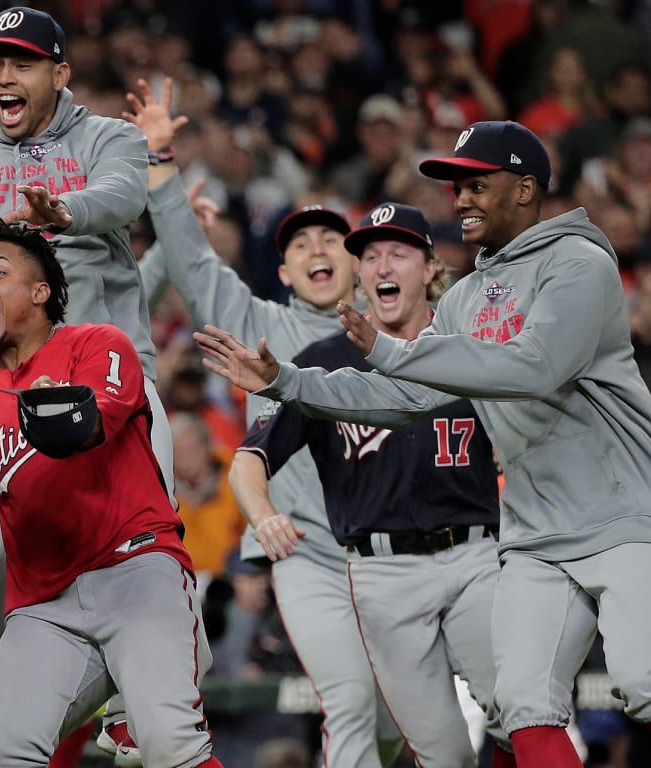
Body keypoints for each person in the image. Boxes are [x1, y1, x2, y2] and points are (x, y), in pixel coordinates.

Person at [194, 121, 651, 768]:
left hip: (624, 516)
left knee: (642, 683)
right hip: (532, 536)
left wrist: (389, 350)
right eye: (455, 187)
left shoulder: (580, 262)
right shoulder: (463, 299)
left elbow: (536, 365)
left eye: (476, 184)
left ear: (525, 189)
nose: (458, 198)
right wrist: (286, 380)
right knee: (522, 708)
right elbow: (405, 399)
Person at [0, 8, 160, 757]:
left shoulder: (110, 137)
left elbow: (124, 195)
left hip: (114, 389)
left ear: (60, 74)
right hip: (6, 392)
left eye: (22, 63)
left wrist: (65, 211)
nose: (3, 77)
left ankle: (136, 699)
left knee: (149, 545)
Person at [0, 218, 220, 768]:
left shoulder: (96, 344)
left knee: (171, 744)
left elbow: (93, 422)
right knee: (3, 753)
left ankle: (149, 689)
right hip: (44, 606)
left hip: (135, 572)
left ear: (40, 292)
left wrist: (55, 407)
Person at [127, 79, 401, 768]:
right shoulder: (258, 324)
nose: (316, 249)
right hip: (306, 553)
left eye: (331, 239)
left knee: (404, 721)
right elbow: (191, 259)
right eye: (301, 242)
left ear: (361, 264)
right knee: (348, 703)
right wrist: (162, 162)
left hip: (397, 553)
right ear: (283, 269)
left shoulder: (398, 342)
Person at [232, 203, 510, 766]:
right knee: (445, 752)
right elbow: (248, 459)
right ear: (359, 275)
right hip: (382, 573)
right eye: (371, 255)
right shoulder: (322, 363)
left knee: (520, 710)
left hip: (477, 557)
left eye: (399, 253)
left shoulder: (472, 344)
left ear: (430, 268)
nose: (383, 265)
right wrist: (263, 517)